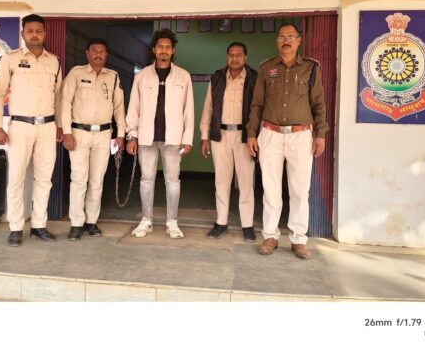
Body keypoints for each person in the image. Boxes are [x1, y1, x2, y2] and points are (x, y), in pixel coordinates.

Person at [246, 23, 328, 259]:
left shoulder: (311, 68)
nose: (286, 41)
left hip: (300, 135)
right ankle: (270, 236)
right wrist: (251, 133)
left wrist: (320, 134)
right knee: (271, 189)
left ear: (298, 41)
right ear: (277, 42)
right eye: (282, 37)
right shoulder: (267, 68)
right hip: (270, 134)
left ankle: (298, 239)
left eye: (291, 37)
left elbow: (318, 104)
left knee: (300, 189)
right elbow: (257, 104)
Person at [0, 13, 63, 247]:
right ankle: (15, 227)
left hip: (47, 126)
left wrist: (60, 126)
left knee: (44, 178)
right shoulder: (10, 59)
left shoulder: (54, 61)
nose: (34, 35)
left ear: (45, 34)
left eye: (39, 31)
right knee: (16, 178)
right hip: (20, 126)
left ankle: (39, 225)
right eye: (30, 31)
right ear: (23, 34)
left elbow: (59, 97)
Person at [125, 28, 194, 239]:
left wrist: (187, 139)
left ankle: (172, 222)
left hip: (173, 138)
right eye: (160, 47)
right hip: (146, 138)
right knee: (146, 180)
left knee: (173, 181)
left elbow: (189, 110)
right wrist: (132, 135)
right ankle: (146, 220)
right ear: (154, 50)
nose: (164, 50)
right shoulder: (142, 75)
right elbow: (133, 107)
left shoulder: (183, 76)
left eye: (168, 47)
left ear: (173, 50)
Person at [60, 38, 125, 241]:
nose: (98, 54)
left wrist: (121, 135)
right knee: (79, 179)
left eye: (102, 51)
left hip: (104, 135)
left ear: (106, 55)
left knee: (97, 180)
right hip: (79, 133)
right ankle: (76, 224)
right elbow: (65, 103)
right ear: (87, 53)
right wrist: (66, 132)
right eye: (94, 51)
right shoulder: (76, 73)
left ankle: (91, 221)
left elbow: (119, 108)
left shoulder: (113, 76)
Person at [200, 42, 258, 243]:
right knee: (221, 182)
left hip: (245, 136)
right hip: (221, 135)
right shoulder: (217, 78)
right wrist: (204, 136)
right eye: (231, 55)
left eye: (239, 54)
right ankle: (221, 223)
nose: (235, 58)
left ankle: (247, 226)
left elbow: (259, 108)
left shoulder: (255, 78)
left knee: (246, 182)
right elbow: (208, 108)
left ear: (245, 57)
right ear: (227, 57)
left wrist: (256, 136)